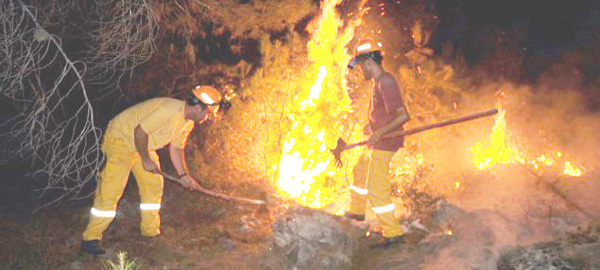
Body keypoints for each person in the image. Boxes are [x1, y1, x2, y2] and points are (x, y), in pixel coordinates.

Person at [81, 85, 226, 255]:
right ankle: (91, 239)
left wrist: (184, 175)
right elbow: (140, 131)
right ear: (197, 106)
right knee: (112, 189)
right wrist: (146, 158)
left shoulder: (187, 123)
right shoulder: (168, 110)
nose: (207, 117)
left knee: (153, 184)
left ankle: (150, 232)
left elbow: (176, 149)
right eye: (208, 113)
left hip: (141, 144)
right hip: (120, 139)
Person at [345, 39, 411, 248]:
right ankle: (357, 211)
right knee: (360, 169)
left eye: (361, 66)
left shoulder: (386, 82)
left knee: (376, 187)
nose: (360, 70)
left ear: (368, 63)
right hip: (379, 137)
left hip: (387, 142)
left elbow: (403, 116)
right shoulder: (378, 82)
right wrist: (370, 126)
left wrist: (380, 131)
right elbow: (383, 113)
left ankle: (393, 232)